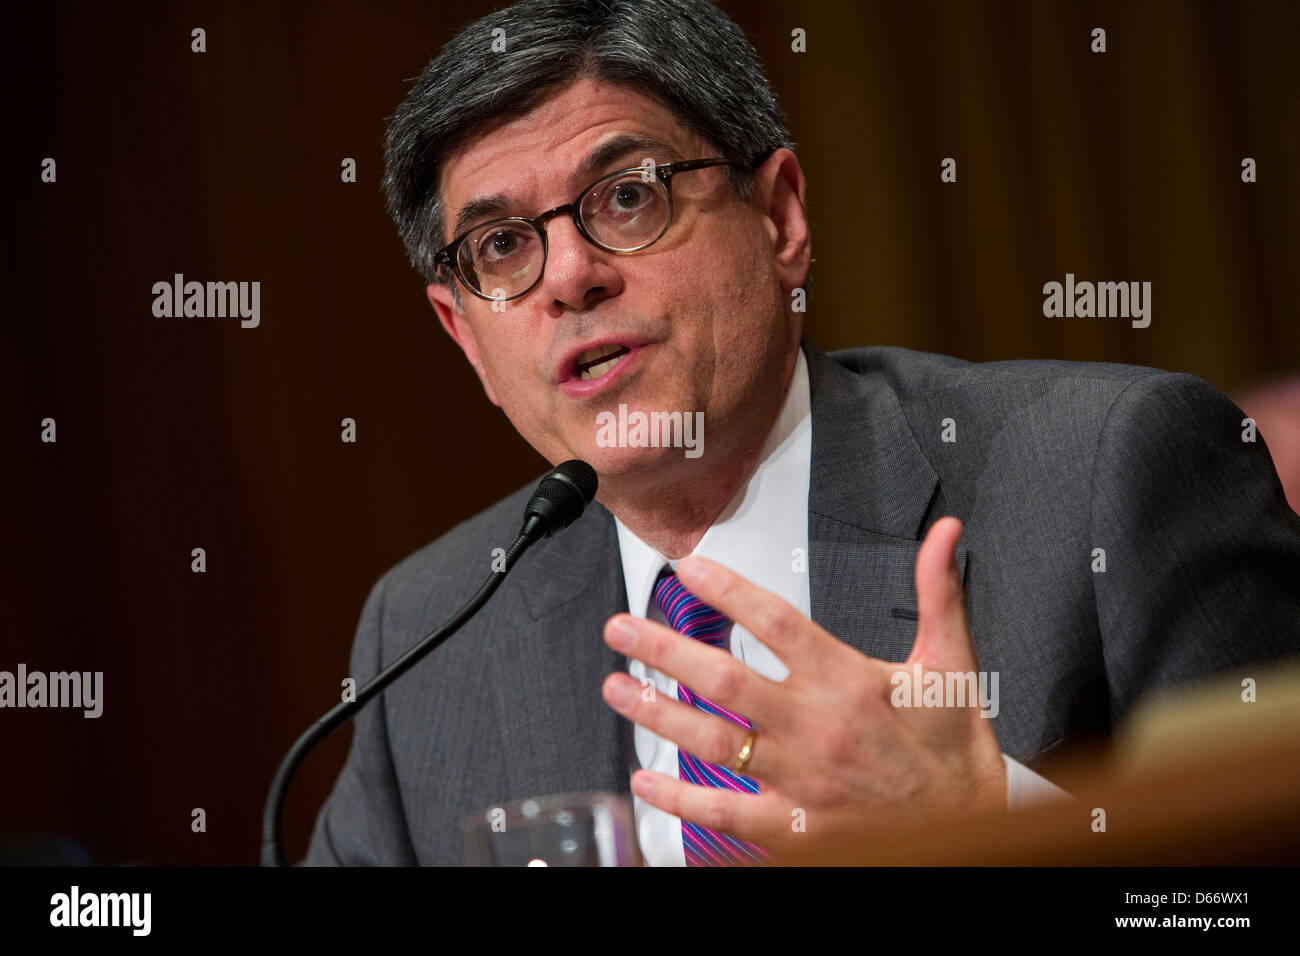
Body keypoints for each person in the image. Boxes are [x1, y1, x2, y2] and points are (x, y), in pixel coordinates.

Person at [304, 0, 1300, 866]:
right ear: (464, 336)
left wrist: (981, 824)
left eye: (625, 196)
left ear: (780, 219)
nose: (569, 276)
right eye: (503, 245)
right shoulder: (431, 635)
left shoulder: (1107, 471)